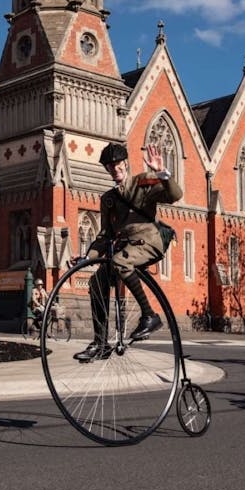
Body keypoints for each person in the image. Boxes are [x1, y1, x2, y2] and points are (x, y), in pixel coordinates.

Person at [74, 142, 184, 361]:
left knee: (120, 262)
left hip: (149, 241)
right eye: (110, 166)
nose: (115, 169)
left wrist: (162, 173)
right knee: (97, 281)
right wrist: (87, 258)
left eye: (117, 164)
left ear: (125, 163)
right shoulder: (108, 199)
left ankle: (149, 315)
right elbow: (104, 235)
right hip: (125, 249)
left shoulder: (142, 182)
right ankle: (100, 343)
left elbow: (174, 195)